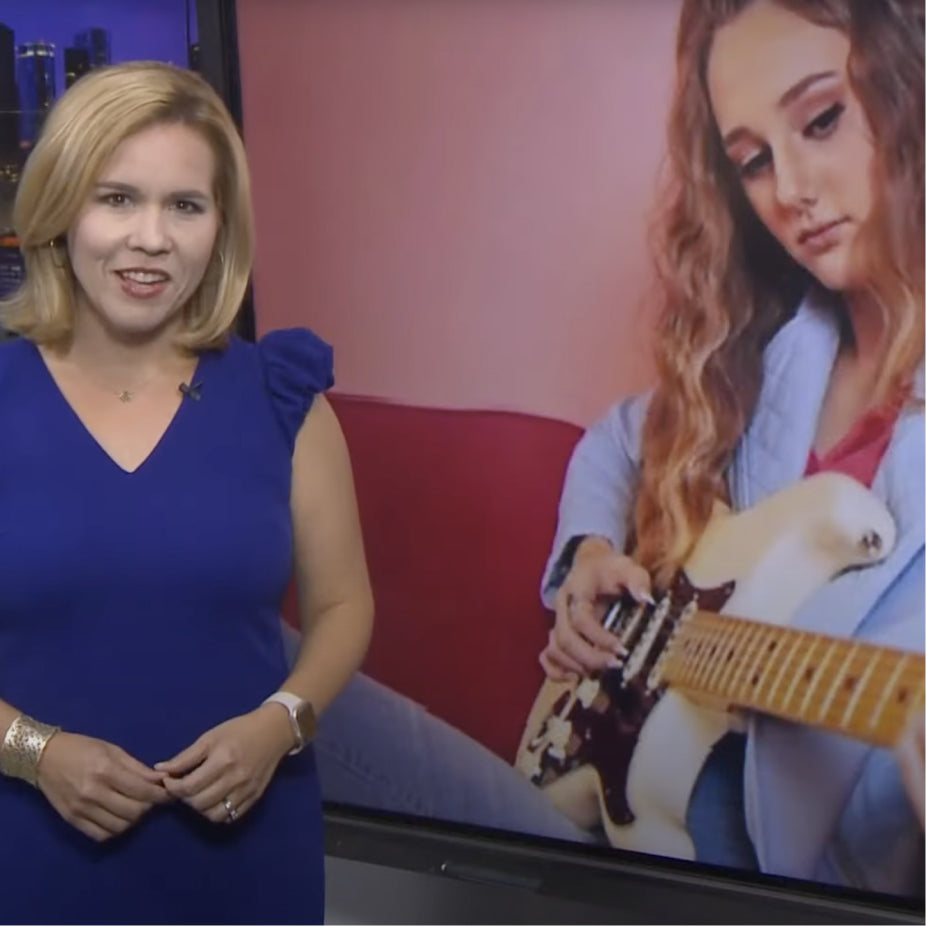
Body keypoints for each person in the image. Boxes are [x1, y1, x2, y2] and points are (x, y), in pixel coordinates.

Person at [309, 0, 924, 900]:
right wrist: (590, 553)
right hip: (603, 820)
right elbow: (618, 441)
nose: (789, 188)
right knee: (250, 667)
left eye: (822, 118)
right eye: (753, 160)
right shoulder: (770, 358)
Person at [0, 61, 373, 924]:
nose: (151, 239)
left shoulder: (283, 398)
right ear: (60, 210)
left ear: (220, 227)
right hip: (31, 855)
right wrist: (34, 752)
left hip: (247, 857)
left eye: (185, 206)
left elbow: (344, 604)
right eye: (117, 199)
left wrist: (280, 724)